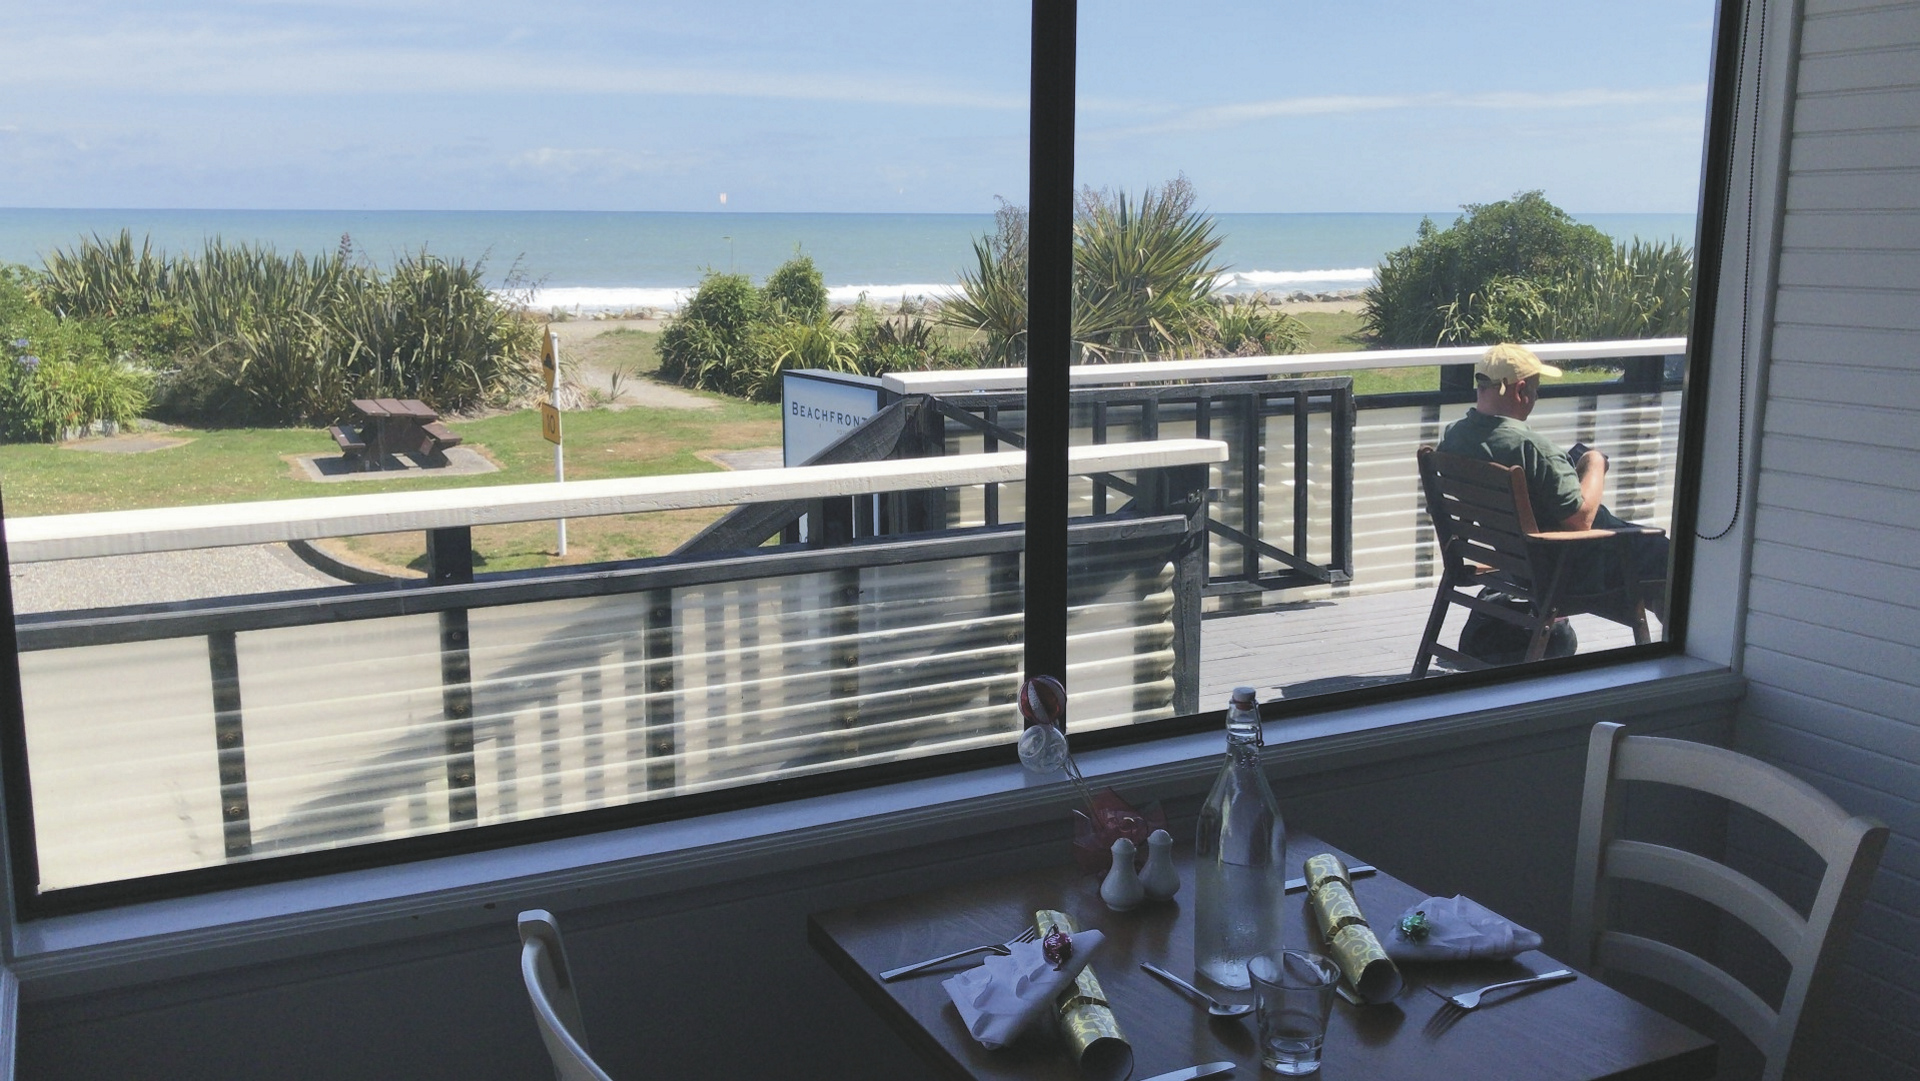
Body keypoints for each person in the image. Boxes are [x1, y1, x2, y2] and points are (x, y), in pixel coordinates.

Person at [1436, 342, 1668, 622]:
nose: (1536, 397)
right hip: (1573, 567)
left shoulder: (1453, 438)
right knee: (1671, 558)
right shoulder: (1531, 448)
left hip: (1516, 563)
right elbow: (1580, 521)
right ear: (1521, 390)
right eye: (1536, 390)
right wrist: (1594, 463)